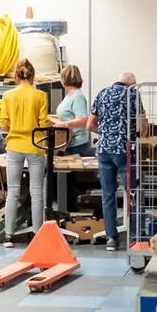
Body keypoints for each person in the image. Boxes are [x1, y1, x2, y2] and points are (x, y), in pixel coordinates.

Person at [87, 72, 147, 252]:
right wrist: (138, 136)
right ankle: (136, 237)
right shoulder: (133, 94)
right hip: (125, 150)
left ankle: (111, 238)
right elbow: (143, 126)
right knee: (133, 193)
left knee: (108, 195)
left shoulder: (101, 93)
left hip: (104, 150)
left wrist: (106, 135)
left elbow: (90, 125)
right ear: (132, 84)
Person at [0, 59, 50, 248]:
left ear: (16, 76)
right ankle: (38, 234)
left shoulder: (7, 95)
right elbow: (43, 123)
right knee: (37, 191)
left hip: (13, 146)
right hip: (35, 146)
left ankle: (8, 236)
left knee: (12, 191)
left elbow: (4, 123)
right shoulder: (40, 95)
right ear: (32, 75)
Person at [50, 65, 90, 211]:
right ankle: (64, 209)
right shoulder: (69, 95)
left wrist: (64, 123)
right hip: (67, 142)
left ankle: (70, 211)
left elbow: (83, 119)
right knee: (61, 179)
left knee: (68, 180)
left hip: (76, 143)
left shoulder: (78, 97)